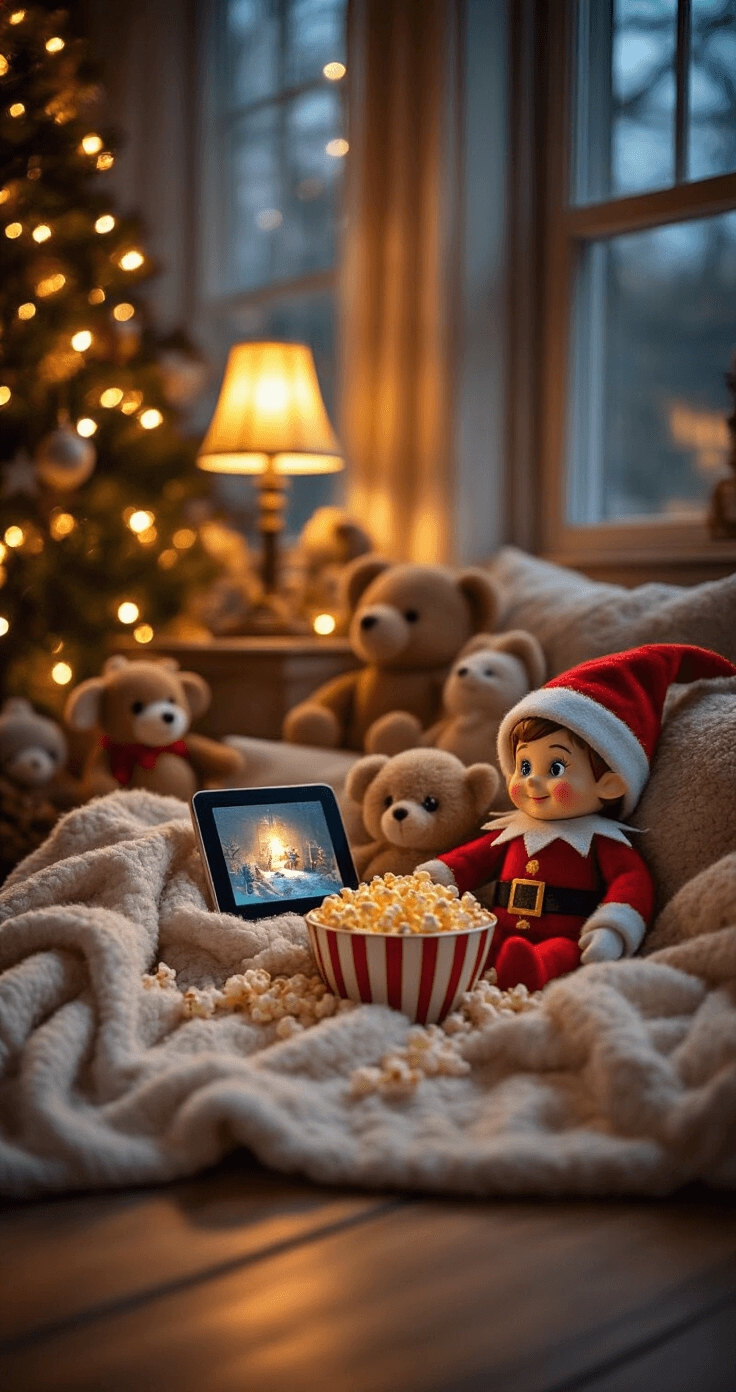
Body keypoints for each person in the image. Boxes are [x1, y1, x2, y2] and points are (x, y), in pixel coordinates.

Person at [418, 643, 736, 992]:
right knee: (473, 940)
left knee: (560, 953)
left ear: (610, 784)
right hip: (500, 926)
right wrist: (438, 876)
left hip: (565, 934)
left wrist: (612, 927)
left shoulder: (601, 842)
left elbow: (630, 883)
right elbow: (475, 859)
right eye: (524, 766)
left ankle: (531, 970)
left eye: (554, 767)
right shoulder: (512, 831)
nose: (531, 781)